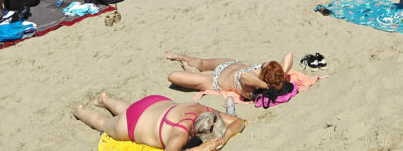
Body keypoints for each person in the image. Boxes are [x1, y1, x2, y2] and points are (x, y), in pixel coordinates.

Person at [73, 91, 243, 151]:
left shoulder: (206, 112)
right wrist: (200, 149)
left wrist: (225, 137)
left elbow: (238, 122)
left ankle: (105, 100)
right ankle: (80, 111)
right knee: (106, 125)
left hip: (155, 103)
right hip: (133, 122)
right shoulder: (179, 133)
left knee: (130, 108)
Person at [165, 50, 293, 100]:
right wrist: (283, 74)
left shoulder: (253, 88)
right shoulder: (273, 73)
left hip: (214, 80)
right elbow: (289, 54)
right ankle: (179, 56)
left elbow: (244, 76)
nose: (263, 65)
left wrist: (266, 86)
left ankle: (186, 68)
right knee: (201, 62)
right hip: (230, 64)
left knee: (174, 76)